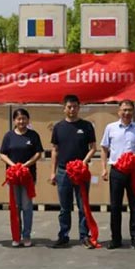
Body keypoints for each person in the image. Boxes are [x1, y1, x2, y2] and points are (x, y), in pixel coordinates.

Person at [100, 99, 135, 250]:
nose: (127, 113)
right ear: (119, 111)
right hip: (116, 170)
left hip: (133, 172)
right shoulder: (110, 128)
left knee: (134, 205)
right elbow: (104, 149)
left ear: (133, 112)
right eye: (124, 110)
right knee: (115, 206)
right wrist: (103, 168)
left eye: (129, 110)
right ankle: (116, 238)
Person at [49, 94, 97, 248]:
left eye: (75, 106)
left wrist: (83, 162)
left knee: (83, 205)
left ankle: (84, 236)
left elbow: (93, 148)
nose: (72, 109)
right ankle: (63, 235)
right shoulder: (58, 127)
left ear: (79, 107)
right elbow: (55, 150)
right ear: (64, 108)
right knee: (65, 207)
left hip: (81, 172)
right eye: (69, 107)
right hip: (63, 172)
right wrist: (53, 172)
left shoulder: (87, 126)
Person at [0, 107, 44, 248]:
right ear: (14, 121)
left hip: (28, 177)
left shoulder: (33, 135)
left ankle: (26, 235)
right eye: (18, 119)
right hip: (13, 176)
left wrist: (25, 165)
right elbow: (2, 154)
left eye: (24, 118)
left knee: (27, 206)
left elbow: (38, 153)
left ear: (28, 120)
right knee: (15, 206)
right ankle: (16, 236)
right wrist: (13, 166)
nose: (21, 121)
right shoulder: (9, 136)